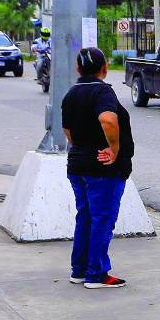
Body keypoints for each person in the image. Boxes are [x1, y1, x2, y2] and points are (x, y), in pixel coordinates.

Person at [61, 47, 135, 289]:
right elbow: (108, 120)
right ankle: (96, 274)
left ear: (78, 68)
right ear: (104, 68)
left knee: (85, 218)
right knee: (102, 220)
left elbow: (67, 131)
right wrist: (114, 149)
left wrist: (83, 147)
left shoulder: (71, 94)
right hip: (103, 169)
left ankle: (80, 270)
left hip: (78, 165)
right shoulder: (102, 91)